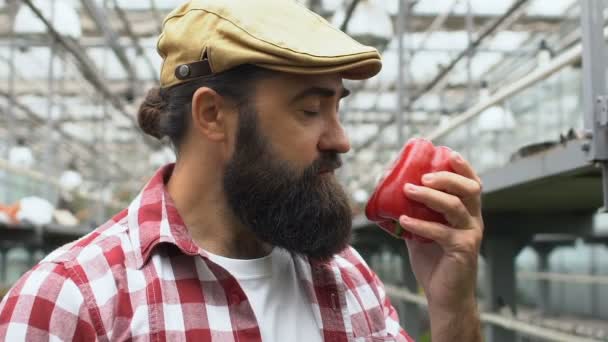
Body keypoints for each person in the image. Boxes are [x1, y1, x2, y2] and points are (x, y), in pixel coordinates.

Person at [0, 1, 484, 341]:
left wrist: (451, 308)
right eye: (310, 110)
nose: (341, 140)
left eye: (338, 108)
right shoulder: (72, 301)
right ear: (212, 116)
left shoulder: (347, 277)